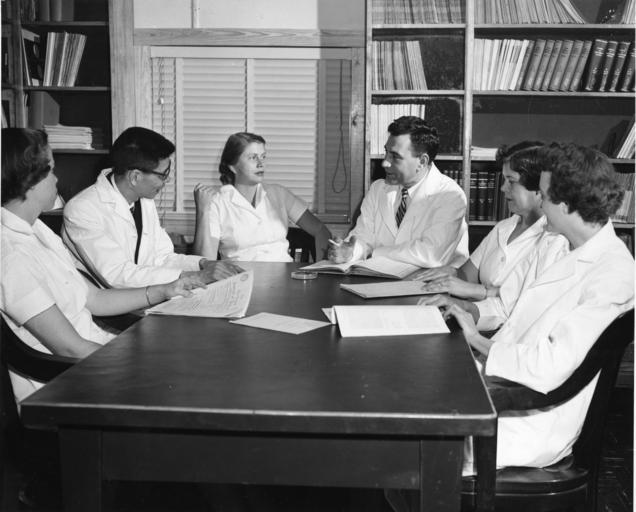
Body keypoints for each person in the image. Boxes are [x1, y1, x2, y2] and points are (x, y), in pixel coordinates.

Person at [420, 142, 634, 473]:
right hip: (503, 385)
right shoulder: (556, 241)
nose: (540, 203)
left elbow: (548, 366)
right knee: (405, 390)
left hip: (530, 414)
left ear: (566, 203)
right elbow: (509, 305)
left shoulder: (614, 274)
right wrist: (467, 317)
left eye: (544, 196)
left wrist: (477, 341)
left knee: (406, 436)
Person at [1, 128, 206, 402]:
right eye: (51, 170)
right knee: (187, 382)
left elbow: (94, 299)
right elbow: (69, 348)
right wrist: (144, 369)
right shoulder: (9, 256)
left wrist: (166, 289)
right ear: (29, 180)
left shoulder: (37, 230)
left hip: (93, 354)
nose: (57, 178)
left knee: (193, 358)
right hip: (60, 382)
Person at [62, 126, 242, 288]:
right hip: (109, 308)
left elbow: (162, 258)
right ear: (135, 177)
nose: (167, 180)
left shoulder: (144, 199)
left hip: (146, 297)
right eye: (163, 175)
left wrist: (203, 264)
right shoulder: (82, 209)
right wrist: (194, 276)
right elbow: (117, 275)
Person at [416, 141, 566, 301]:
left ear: (538, 186)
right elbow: (467, 275)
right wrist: (449, 273)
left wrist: (475, 290)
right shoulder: (503, 227)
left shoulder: (556, 239)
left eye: (511, 181)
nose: (503, 188)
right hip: (475, 312)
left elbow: (534, 299)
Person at [327, 116, 468, 268]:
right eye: (386, 152)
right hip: (380, 277)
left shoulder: (450, 195)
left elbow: (430, 254)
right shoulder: (378, 189)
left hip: (430, 280)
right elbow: (362, 237)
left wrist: (374, 253)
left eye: (395, 157)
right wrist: (350, 252)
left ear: (422, 162)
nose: (385, 163)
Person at [192, 132, 332, 262]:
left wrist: (322, 267)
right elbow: (205, 262)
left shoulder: (278, 193)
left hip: (285, 276)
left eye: (263, 157)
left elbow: (320, 230)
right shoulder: (217, 203)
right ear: (232, 166)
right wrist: (203, 211)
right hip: (242, 277)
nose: (260, 164)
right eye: (253, 157)